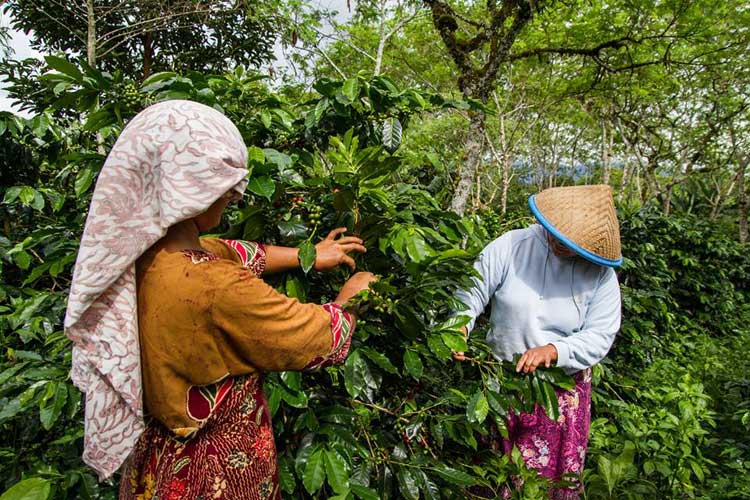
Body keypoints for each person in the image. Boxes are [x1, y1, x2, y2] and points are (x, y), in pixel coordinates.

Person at [64, 100, 376, 499]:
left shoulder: (133, 257)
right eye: (224, 185)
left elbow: (231, 249)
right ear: (190, 184)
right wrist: (352, 297)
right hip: (216, 470)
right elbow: (316, 338)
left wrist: (307, 256)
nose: (233, 193)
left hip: (156, 461)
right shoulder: (215, 285)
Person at [455, 185, 623, 499]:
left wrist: (555, 351)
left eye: (572, 244)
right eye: (559, 237)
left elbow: (601, 335)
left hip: (559, 392)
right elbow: (472, 291)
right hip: (500, 381)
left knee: (546, 484)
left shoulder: (600, 274)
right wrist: (459, 328)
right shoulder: (511, 245)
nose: (562, 246)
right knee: (493, 473)